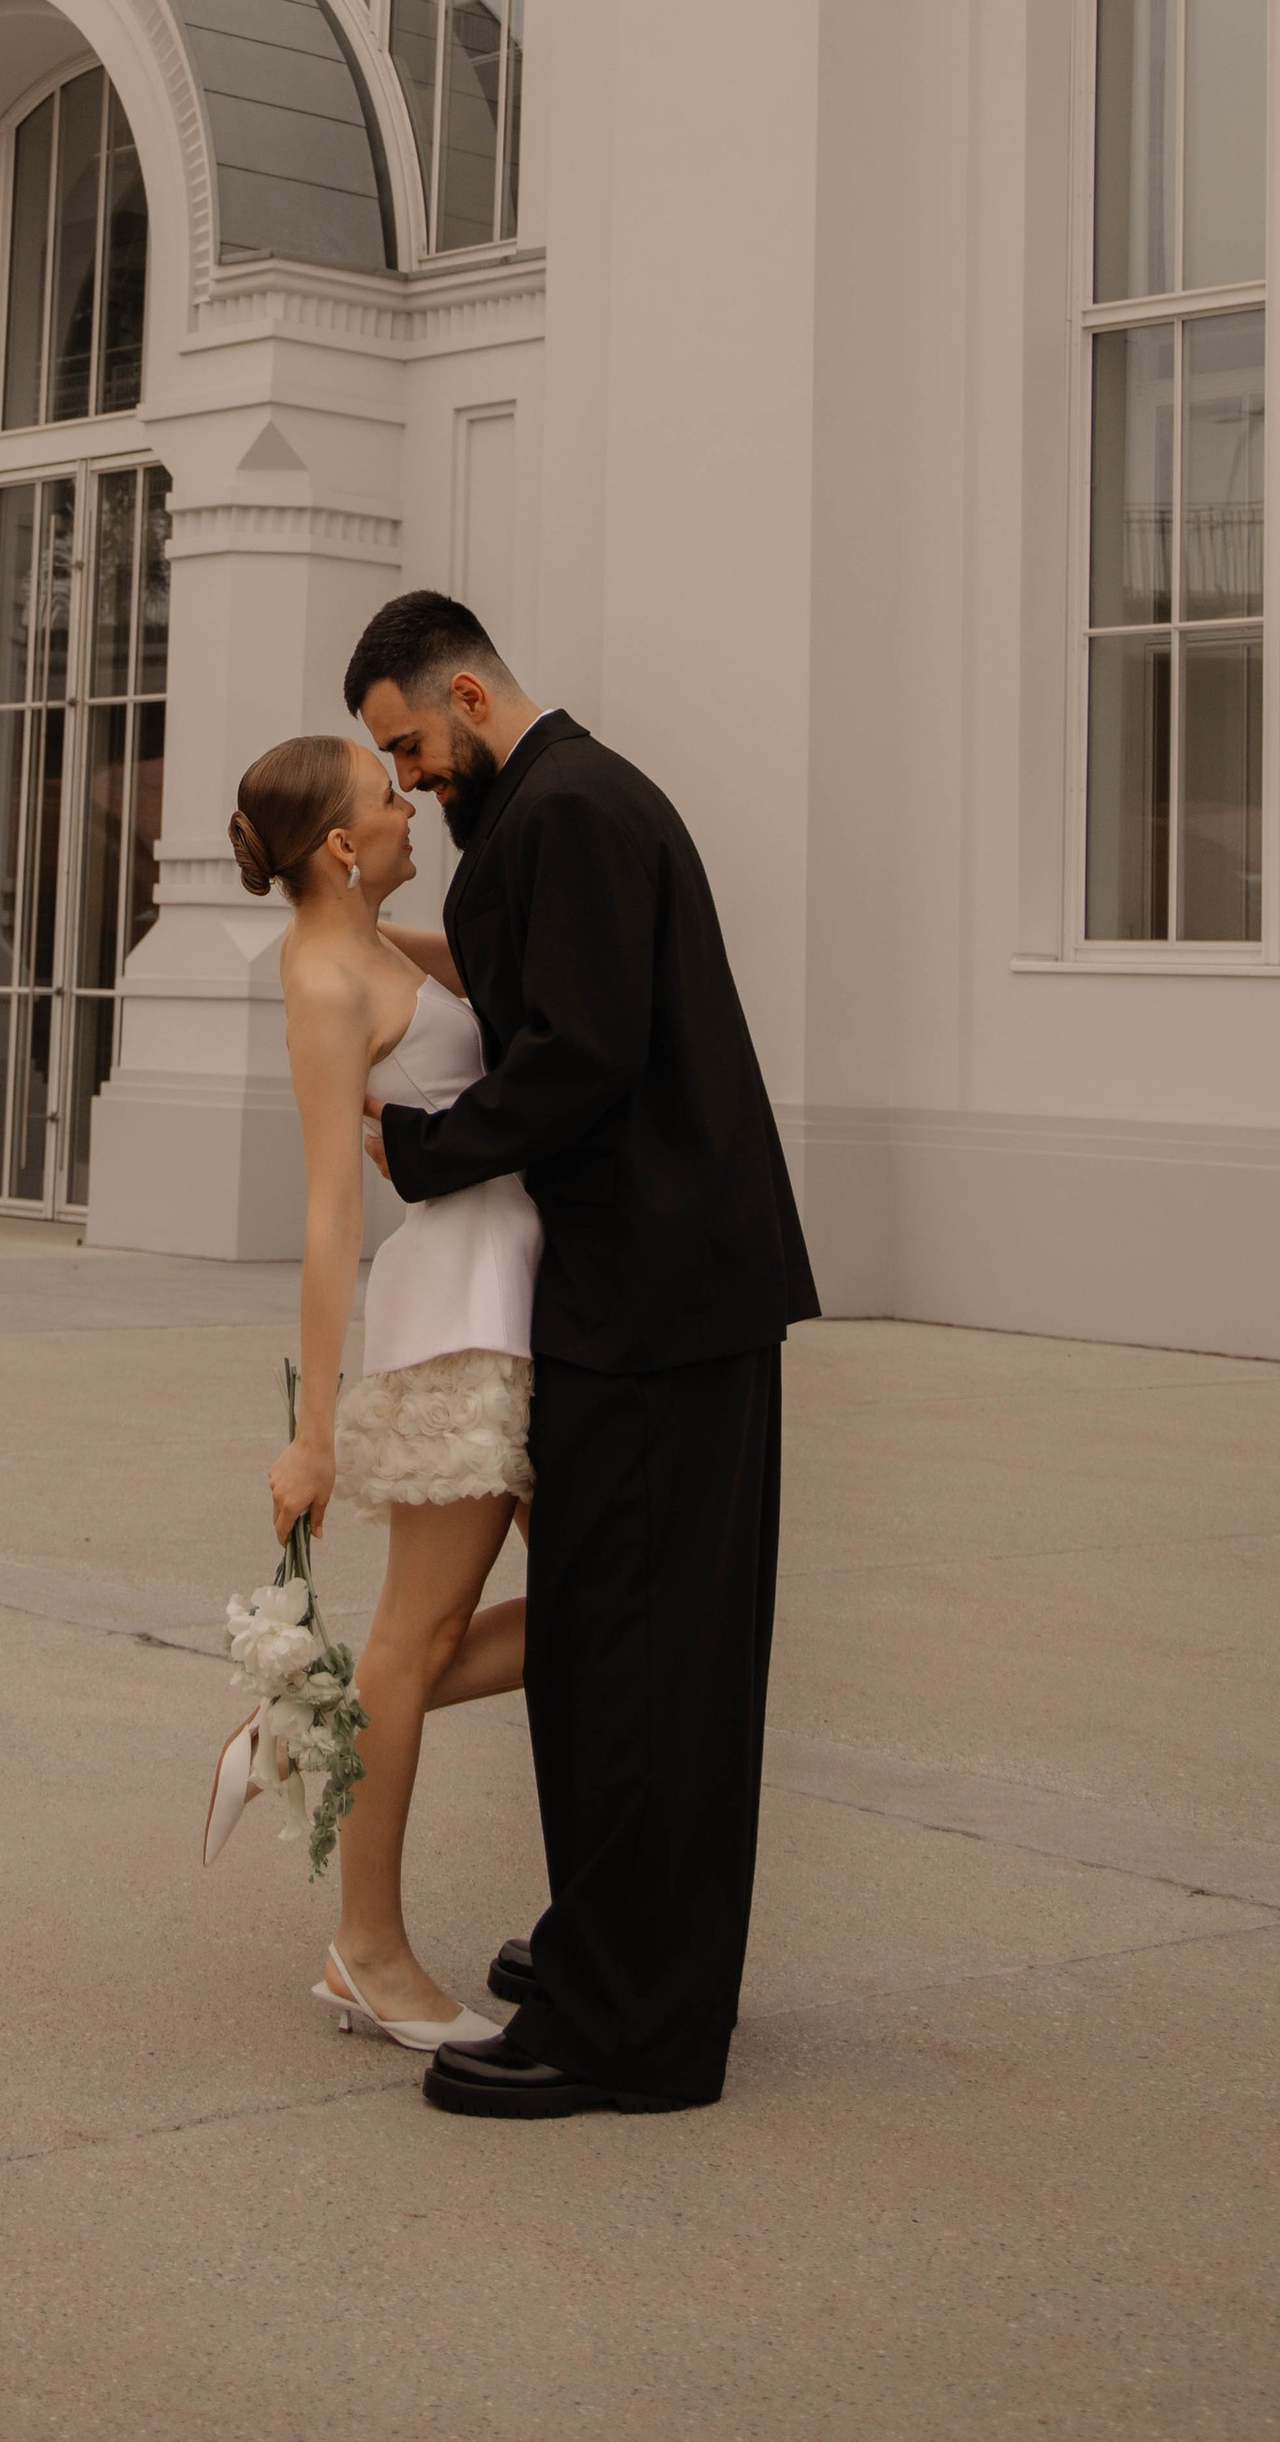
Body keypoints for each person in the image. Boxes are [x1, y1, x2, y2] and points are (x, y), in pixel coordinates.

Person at [344, 590, 821, 2119]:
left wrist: (425, 1148)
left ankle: (629, 2029)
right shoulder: (563, 803)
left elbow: (582, 1055)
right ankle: (621, 1959)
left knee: (634, 1664)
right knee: (627, 1654)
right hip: (660, 1297)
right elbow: (539, 989)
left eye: (410, 744)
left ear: (470, 695)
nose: (409, 777)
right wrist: (359, 934)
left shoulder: (566, 812)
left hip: (656, 1304)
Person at [201, 731, 537, 2056]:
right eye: (389, 796)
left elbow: (484, 981)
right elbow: (332, 1213)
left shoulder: (372, 941)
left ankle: (305, 1729)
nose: (412, 807)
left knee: (593, 1617)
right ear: (343, 843)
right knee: (416, 1636)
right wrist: (312, 1436)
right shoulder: (324, 977)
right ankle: (369, 1950)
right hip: (457, 1317)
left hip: (517, 1292)